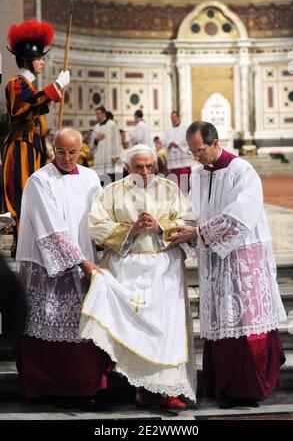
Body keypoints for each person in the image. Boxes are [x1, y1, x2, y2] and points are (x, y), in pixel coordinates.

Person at [170, 121, 287, 409]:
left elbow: (241, 216)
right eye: (192, 152)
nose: (196, 157)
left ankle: (246, 388)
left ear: (215, 142)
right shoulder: (198, 174)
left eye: (200, 151)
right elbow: (192, 211)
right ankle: (223, 385)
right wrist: (180, 228)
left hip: (242, 259)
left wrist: (198, 234)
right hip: (214, 259)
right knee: (220, 320)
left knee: (244, 320)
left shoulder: (242, 170)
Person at [79, 144, 197, 409]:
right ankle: (141, 387)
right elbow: (96, 226)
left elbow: (187, 222)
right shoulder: (111, 191)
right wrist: (130, 231)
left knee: (167, 330)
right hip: (126, 268)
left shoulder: (169, 190)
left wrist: (160, 228)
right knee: (136, 332)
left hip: (164, 268)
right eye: (138, 167)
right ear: (127, 167)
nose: (145, 172)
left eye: (149, 167)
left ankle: (168, 391)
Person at [16, 128, 112, 406]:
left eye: (73, 152)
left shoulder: (92, 177)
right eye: (61, 151)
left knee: (82, 327)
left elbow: (99, 217)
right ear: (52, 149)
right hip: (50, 267)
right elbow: (51, 229)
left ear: (82, 149)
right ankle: (46, 386)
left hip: (86, 262)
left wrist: (107, 240)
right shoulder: (39, 180)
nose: (67, 158)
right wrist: (81, 262)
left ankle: (84, 387)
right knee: (49, 322)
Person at [0, 18, 70, 257]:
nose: (42, 62)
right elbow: (25, 106)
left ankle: (29, 241)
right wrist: (56, 86)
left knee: (34, 194)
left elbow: (37, 104)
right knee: (23, 194)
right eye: (39, 58)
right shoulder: (15, 85)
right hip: (21, 147)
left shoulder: (29, 88)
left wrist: (54, 91)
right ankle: (21, 243)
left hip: (33, 147)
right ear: (29, 60)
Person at [164, 111, 193, 194]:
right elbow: (164, 141)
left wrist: (178, 145)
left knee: (184, 178)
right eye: (171, 117)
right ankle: (176, 195)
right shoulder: (168, 130)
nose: (173, 119)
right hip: (173, 158)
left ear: (178, 117)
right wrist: (169, 144)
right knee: (175, 179)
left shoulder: (185, 128)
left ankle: (186, 195)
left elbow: (188, 139)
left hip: (183, 159)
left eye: (174, 117)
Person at [90, 105, 122, 183]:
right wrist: (96, 140)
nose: (97, 115)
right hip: (99, 158)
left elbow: (116, 140)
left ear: (104, 113)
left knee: (111, 178)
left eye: (98, 113)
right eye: (96, 114)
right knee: (101, 179)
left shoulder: (112, 124)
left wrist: (115, 155)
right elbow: (92, 144)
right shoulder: (96, 127)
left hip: (109, 157)